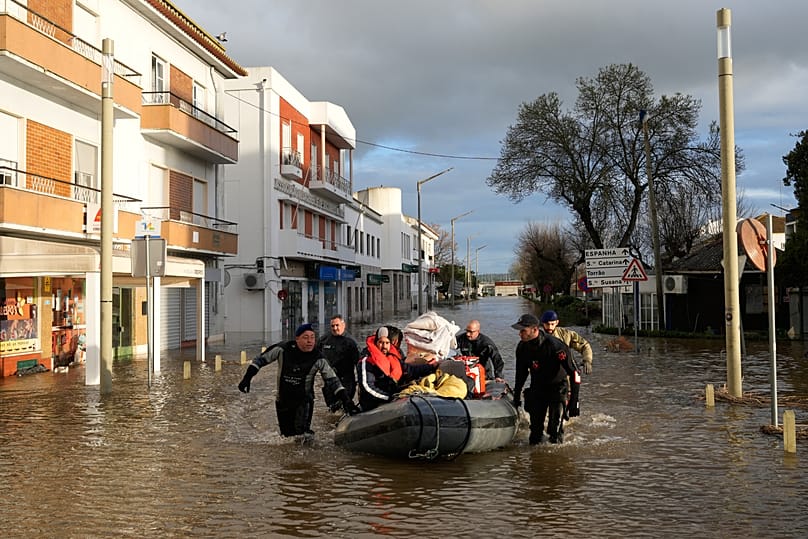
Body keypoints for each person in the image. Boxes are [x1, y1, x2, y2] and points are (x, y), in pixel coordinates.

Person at [237, 323, 359, 438]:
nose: (310, 341)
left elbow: (333, 381)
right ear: (297, 339)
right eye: (305, 337)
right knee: (286, 437)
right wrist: (247, 378)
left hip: (304, 401)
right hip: (283, 400)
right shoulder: (283, 349)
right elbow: (260, 360)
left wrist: (347, 402)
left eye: (312, 337)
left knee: (302, 435)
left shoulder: (318, 357)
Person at [511, 313, 577, 444]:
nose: (520, 334)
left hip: (558, 387)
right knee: (535, 434)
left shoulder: (555, 346)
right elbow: (521, 374)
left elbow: (575, 373)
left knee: (555, 433)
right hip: (538, 387)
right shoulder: (522, 347)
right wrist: (516, 396)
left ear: (535, 329)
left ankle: (556, 461)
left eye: (523, 330)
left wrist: (575, 401)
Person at [319, 314, 360, 412]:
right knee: (332, 410)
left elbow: (359, 363)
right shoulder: (324, 339)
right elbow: (315, 356)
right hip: (329, 381)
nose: (335, 328)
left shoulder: (351, 342)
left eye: (337, 325)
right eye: (332, 326)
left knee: (344, 406)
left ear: (343, 325)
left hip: (346, 380)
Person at [539, 310, 593, 374]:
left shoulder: (566, 334)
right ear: (543, 323)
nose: (550, 327)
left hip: (565, 375)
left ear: (557, 322)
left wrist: (587, 360)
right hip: (544, 375)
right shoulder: (537, 336)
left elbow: (584, 346)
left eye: (552, 324)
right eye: (547, 324)